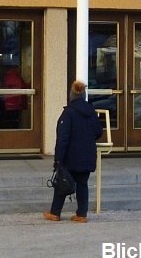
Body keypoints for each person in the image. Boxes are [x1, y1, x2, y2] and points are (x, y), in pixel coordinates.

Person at [44, 80, 103, 222]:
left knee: (62, 183)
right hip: (88, 154)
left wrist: (58, 159)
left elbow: (62, 138)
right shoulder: (91, 112)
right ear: (84, 95)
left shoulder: (68, 113)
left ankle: (55, 212)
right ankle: (82, 214)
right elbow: (98, 132)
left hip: (71, 155)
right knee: (82, 184)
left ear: (71, 95)